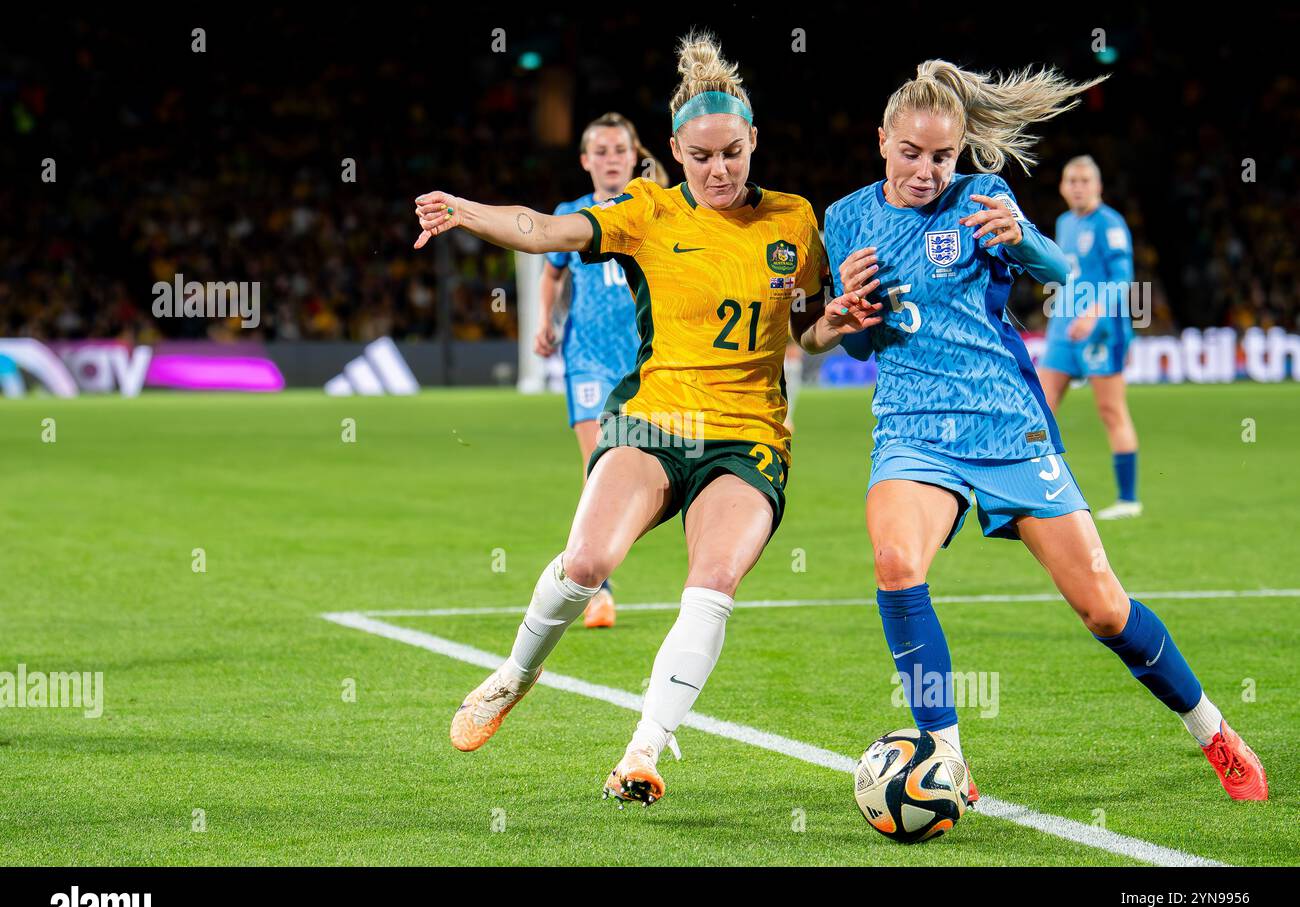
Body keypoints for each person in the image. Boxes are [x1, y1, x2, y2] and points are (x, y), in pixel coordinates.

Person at [415, 32, 867, 806]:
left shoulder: (795, 221)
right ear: (674, 151)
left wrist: (834, 325)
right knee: (587, 564)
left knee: (713, 580)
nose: (718, 170)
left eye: (732, 152)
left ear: (754, 140)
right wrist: (465, 210)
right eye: (700, 156)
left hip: (749, 436)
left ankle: (643, 751)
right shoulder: (646, 212)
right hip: (653, 419)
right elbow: (546, 230)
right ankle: (515, 674)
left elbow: (804, 327)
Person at [807, 60, 1266, 815]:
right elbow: (850, 343)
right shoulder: (846, 218)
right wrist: (844, 314)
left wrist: (1024, 238)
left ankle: (1213, 729)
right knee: (895, 563)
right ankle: (946, 757)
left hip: (1005, 423)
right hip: (914, 429)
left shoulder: (982, 197)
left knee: (1103, 609)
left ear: (960, 152)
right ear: (882, 141)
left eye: (942, 155)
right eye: (912, 153)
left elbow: (1062, 271)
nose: (927, 170)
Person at [533, 113, 669, 627]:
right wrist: (545, 321)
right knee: (597, 466)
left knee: (651, 466)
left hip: (642, 359)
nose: (612, 159)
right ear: (586, 160)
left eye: (620, 150)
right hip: (587, 358)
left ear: (635, 157)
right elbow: (550, 272)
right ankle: (596, 586)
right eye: (602, 151)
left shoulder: (654, 211)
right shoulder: (571, 214)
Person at [1040, 155, 1141, 519]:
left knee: (1111, 410)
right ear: (1063, 187)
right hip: (1064, 330)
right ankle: (1028, 485)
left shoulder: (1110, 224)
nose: (1078, 186)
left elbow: (1121, 279)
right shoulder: (1065, 222)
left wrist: (1093, 313)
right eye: (1072, 180)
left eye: (1085, 180)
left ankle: (1128, 500)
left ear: (1098, 186)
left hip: (1100, 331)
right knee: (1039, 408)